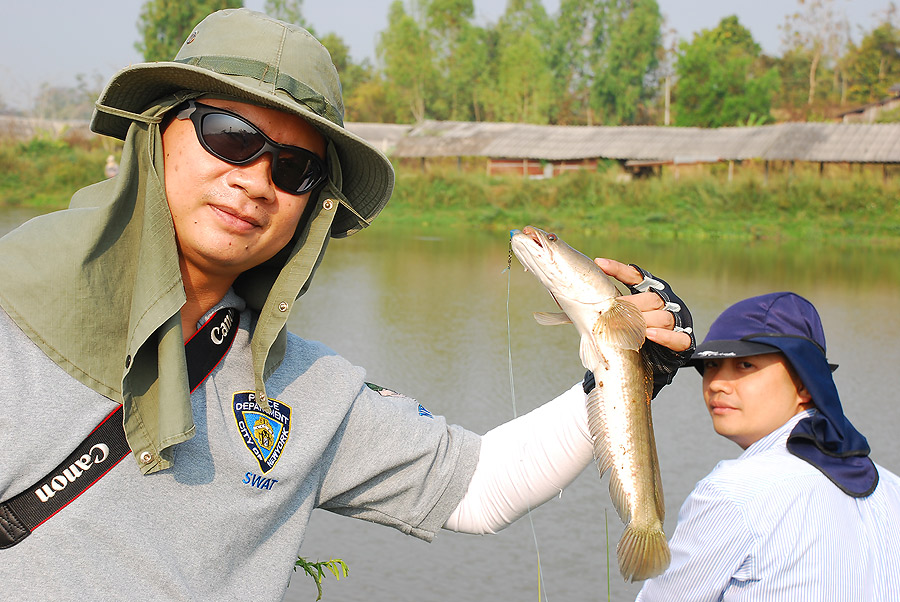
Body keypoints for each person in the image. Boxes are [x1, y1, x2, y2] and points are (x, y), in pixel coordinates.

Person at [0, 9, 694, 599]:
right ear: (157, 134)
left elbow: (481, 485)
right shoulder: (12, 320)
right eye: (229, 136)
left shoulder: (308, 389)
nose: (254, 182)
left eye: (293, 167)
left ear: (313, 207)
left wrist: (631, 372)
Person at [637, 292, 900, 601]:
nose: (717, 383)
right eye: (710, 366)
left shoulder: (733, 492)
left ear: (805, 382)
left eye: (744, 365)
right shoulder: (890, 488)